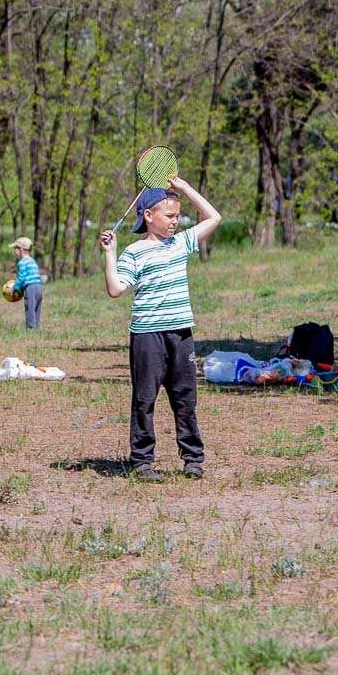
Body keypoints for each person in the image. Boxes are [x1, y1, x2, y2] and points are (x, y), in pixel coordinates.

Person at [99, 177, 221, 483]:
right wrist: (110, 254)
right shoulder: (134, 252)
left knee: (185, 398)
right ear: (148, 216)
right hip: (147, 337)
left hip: (181, 334)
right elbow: (115, 289)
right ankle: (142, 461)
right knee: (144, 399)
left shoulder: (181, 243)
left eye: (178, 216)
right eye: (169, 216)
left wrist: (185, 189)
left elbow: (214, 218)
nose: (175, 221)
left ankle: (193, 458)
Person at [10, 236, 44, 329]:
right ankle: (36, 328)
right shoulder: (32, 260)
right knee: (36, 308)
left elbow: (22, 277)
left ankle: (30, 329)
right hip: (39, 287)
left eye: (15, 249)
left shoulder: (22, 262)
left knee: (30, 308)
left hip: (30, 288)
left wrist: (14, 288)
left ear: (20, 250)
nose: (14, 251)